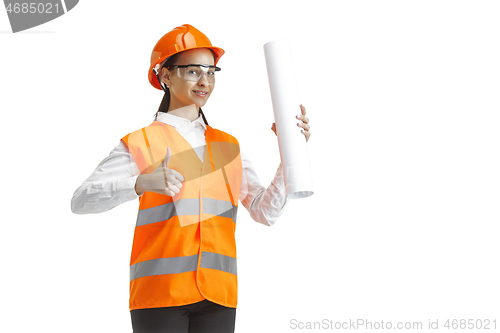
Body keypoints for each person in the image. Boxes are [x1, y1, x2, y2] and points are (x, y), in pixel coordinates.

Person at [71, 24, 311, 333]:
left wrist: (289, 154)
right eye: (193, 71)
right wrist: (139, 184)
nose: (205, 81)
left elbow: (265, 212)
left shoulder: (228, 145)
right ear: (165, 75)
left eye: (211, 72)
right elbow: (81, 200)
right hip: (160, 293)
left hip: (219, 294)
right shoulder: (140, 142)